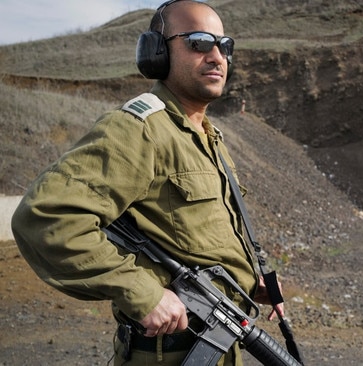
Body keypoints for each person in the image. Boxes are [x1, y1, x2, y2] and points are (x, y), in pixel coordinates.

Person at [11, 1, 283, 365]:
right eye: (200, 42)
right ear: (157, 52)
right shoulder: (138, 129)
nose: (217, 56)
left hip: (222, 344)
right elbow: (44, 219)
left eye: (225, 45)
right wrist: (140, 292)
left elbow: (196, 235)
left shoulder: (208, 136)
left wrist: (250, 277)